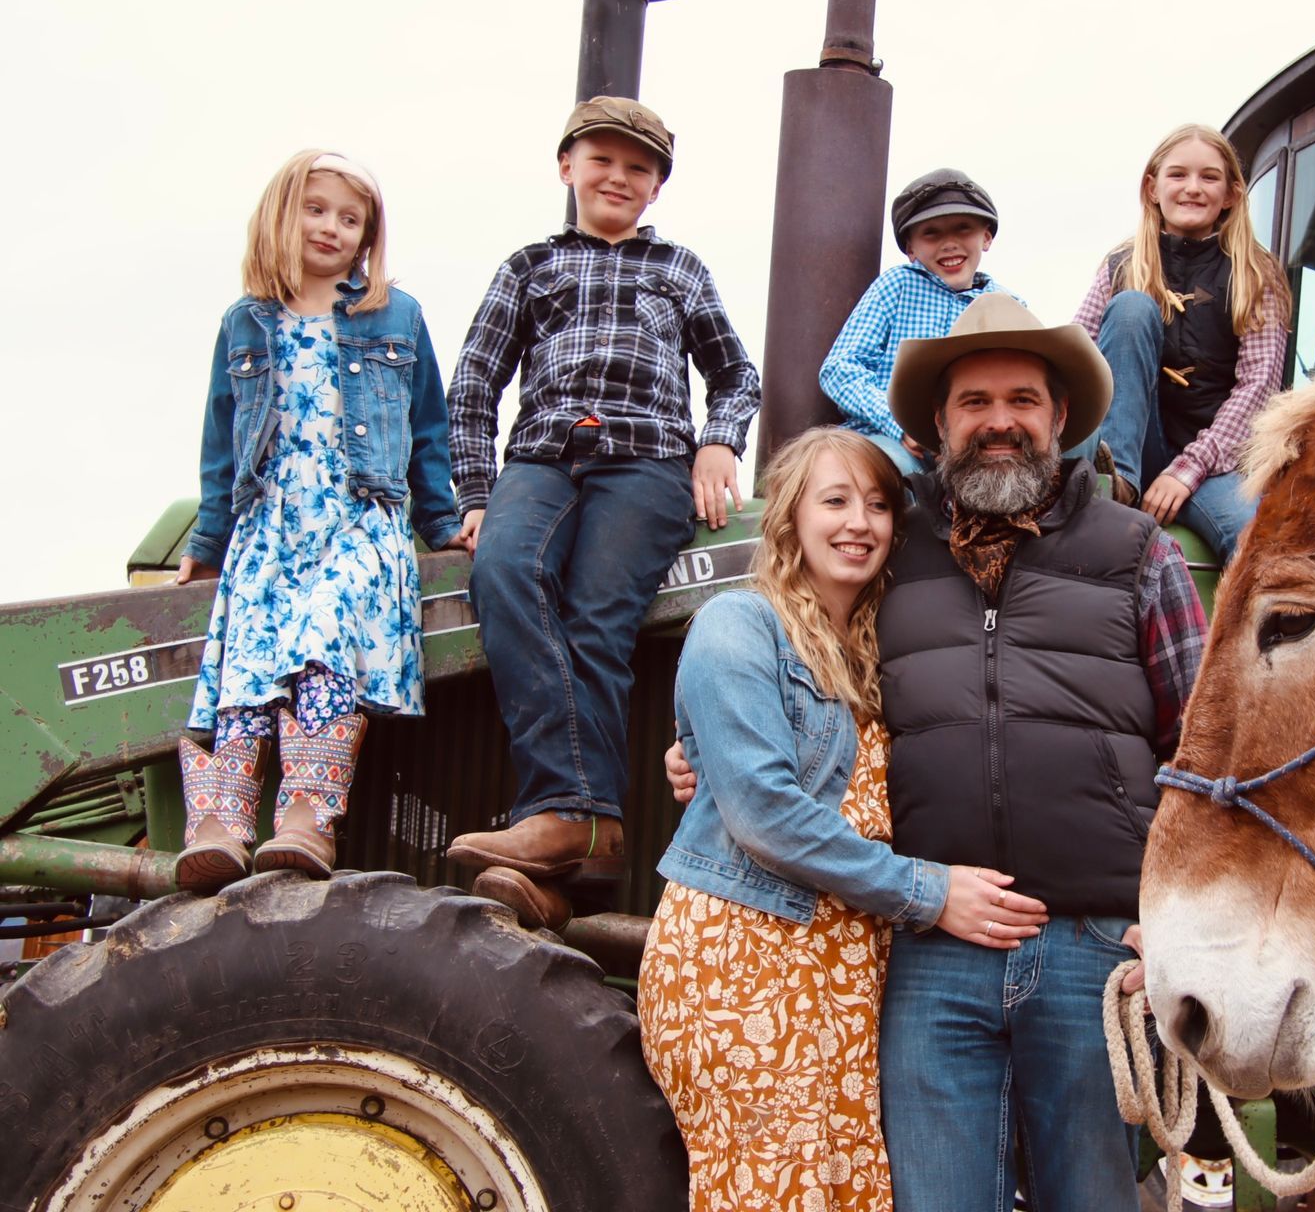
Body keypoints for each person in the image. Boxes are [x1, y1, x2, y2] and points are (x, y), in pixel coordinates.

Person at [671, 295, 1205, 1211]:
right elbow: (814, 686)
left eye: (1023, 400)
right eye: (975, 402)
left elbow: (1204, 747)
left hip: (1093, 947)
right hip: (929, 949)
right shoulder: (889, 546)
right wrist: (702, 759)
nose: (1000, 421)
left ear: (1061, 417)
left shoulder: (1137, 549)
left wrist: (1179, 919)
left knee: (1094, 1197)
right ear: (938, 424)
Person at [640, 426, 1045, 1212]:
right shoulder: (738, 625)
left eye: (877, 505)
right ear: (791, 515)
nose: (859, 522)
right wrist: (931, 893)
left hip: (844, 976)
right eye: (835, 501)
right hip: (748, 964)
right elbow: (767, 817)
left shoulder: (869, 650)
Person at [442, 97, 762, 925]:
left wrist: (718, 442)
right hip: (543, 458)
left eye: (639, 168)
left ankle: (566, 820)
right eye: (603, 160)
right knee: (506, 571)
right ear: (567, 167)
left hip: (649, 462)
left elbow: (735, 373)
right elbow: (475, 383)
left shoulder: (679, 269)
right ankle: (586, 823)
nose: (619, 177)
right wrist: (475, 494)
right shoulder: (529, 266)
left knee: (596, 619)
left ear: (656, 188)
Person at [173, 150, 463, 893]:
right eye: (317, 209)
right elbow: (220, 441)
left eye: (350, 217)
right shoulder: (244, 324)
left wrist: (442, 524)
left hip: (358, 517)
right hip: (270, 523)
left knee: (324, 633)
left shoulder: (393, 315)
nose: (332, 227)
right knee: (248, 663)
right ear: (282, 214)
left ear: (367, 237)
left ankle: (308, 814)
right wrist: (207, 545)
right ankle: (220, 824)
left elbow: (429, 430)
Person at [1072, 123, 1289, 563]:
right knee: (1132, 308)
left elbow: (1258, 388)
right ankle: (1114, 485)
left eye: (1209, 177)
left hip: (1213, 461)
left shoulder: (1255, 272)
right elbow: (1075, 358)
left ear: (1230, 194)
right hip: (1129, 445)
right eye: (1178, 175)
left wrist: (1186, 472)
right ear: (1152, 188)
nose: (1192, 188)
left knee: (1257, 542)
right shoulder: (1121, 265)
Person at [817, 168, 1014, 474]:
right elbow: (840, 369)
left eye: (963, 228)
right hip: (890, 441)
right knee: (892, 472)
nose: (949, 243)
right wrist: (899, 422)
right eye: (931, 233)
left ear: (986, 236)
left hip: (973, 447)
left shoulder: (1006, 305)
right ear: (911, 248)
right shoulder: (896, 287)